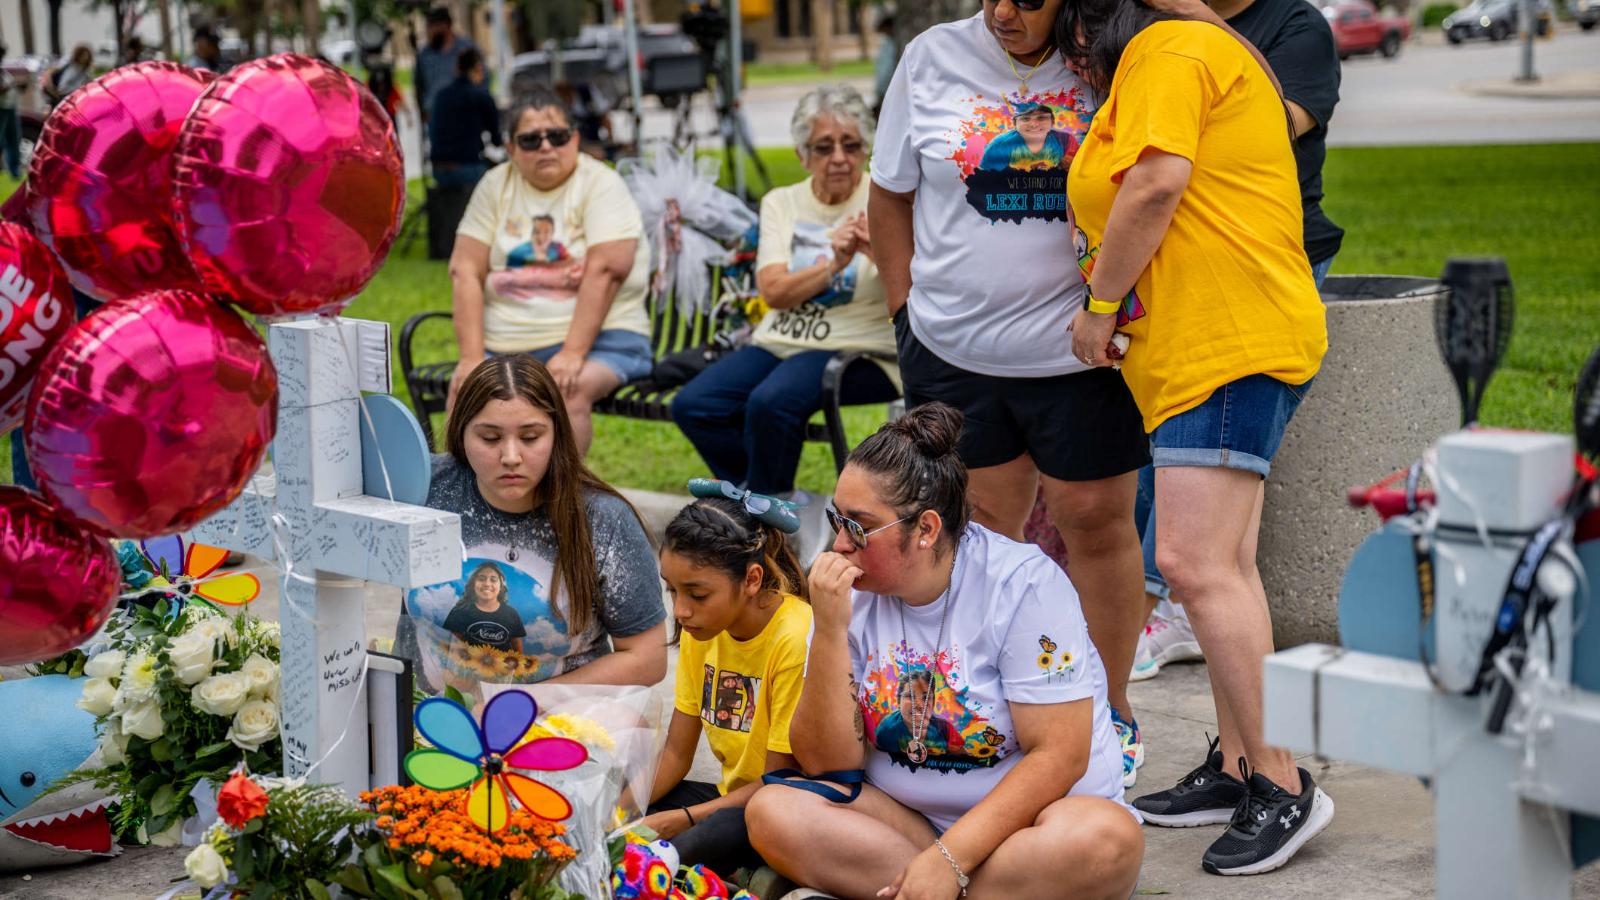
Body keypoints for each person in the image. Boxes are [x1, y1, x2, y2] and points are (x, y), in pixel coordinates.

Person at [1060, 0, 1332, 875]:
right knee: (1225, 569)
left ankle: (1283, 785)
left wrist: (1100, 304)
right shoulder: (1188, 47)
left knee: (1192, 562)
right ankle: (1241, 762)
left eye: (1075, 30)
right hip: (1210, 348)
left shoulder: (1170, 48)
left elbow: (1155, 181)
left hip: (1225, 346)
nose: (1070, 52)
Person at [869, 0, 1152, 789]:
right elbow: (888, 194)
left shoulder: (1108, 58)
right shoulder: (930, 58)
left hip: (1080, 354)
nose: (1002, 11)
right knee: (981, 534)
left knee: (1095, 524)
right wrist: (904, 319)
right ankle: (995, 710)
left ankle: (1109, 711)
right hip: (955, 353)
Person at [744, 404, 1142, 900]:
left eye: (860, 527)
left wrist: (948, 860)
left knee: (1105, 840)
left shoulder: (1022, 585)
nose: (840, 544)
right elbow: (826, 765)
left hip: (1027, 830)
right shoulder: (847, 596)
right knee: (773, 811)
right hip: (908, 826)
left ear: (927, 529)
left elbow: (1061, 756)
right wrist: (827, 632)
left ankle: (921, 888)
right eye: (836, 519)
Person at [1129, 0, 1343, 682]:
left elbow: (1267, 118)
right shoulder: (1146, 25)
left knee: (1203, 555)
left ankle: (1165, 609)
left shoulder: (1296, 28)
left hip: (1260, 269)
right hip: (1179, 273)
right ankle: (1246, 765)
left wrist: (1198, 22)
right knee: (1214, 544)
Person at [671, 84, 899, 502]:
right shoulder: (782, 202)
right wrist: (833, 264)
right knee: (694, 404)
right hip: (781, 341)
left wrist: (878, 251)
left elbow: (917, 286)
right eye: (823, 147)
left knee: (770, 402)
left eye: (851, 145)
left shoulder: (885, 199)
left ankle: (763, 516)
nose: (838, 159)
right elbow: (773, 291)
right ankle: (766, 502)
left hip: (859, 350)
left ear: (866, 149)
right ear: (802, 155)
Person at [400, 355, 668, 686]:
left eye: (530, 437)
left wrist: (524, 704)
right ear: (461, 433)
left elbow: (647, 658)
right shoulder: (420, 486)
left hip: (559, 724)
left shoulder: (604, 520)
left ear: (557, 434)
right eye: (489, 438)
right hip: (422, 718)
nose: (511, 457)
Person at [447, 88, 653, 455]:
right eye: (530, 140)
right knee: (468, 392)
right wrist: (471, 358)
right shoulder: (495, 186)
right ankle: (471, 504)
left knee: (565, 390)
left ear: (574, 138)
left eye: (557, 136)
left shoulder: (601, 183)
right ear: (510, 149)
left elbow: (607, 270)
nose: (546, 147)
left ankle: (560, 505)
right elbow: (465, 269)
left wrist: (573, 352)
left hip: (602, 341)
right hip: (506, 346)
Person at [642, 483, 813, 875]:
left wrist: (682, 819)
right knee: (631, 804)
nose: (680, 611)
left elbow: (779, 781)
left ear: (751, 579)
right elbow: (675, 756)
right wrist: (617, 811)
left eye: (697, 594)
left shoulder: (794, 637)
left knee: (713, 827)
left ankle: (655, 871)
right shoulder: (701, 629)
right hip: (729, 798)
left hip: (780, 808)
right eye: (672, 591)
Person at [429, 47, 502, 190]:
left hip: (438, 169)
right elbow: (497, 140)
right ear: (478, 67)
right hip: (467, 169)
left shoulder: (441, 95)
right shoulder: (481, 96)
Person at [441, 562, 527, 653]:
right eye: (481, 579)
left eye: (493, 580)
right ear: (473, 584)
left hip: (502, 666)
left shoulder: (512, 614)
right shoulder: (459, 612)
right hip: (467, 665)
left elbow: (517, 648)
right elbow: (452, 646)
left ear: (501, 586)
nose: (487, 584)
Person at [415, 6, 480, 124]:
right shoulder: (424, 54)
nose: (428, 31)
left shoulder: (466, 48)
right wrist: (423, 114)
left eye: (431, 27)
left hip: (465, 114)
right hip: (435, 116)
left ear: (445, 25)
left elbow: (481, 78)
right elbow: (419, 86)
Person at [977, 100, 1075, 172]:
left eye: (1041, 118)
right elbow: (984, 180)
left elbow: (1076, 171)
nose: (1034, 124)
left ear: (1052, 122)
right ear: (1015, 124)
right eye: (1025, 119)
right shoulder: (1000, 145)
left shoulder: (1066, 140)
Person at [0, 46, 19, 181]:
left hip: (9, 106)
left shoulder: (3, 71)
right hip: (1, 108)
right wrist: (10, 86)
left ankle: (14, 171)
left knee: (13, 139)